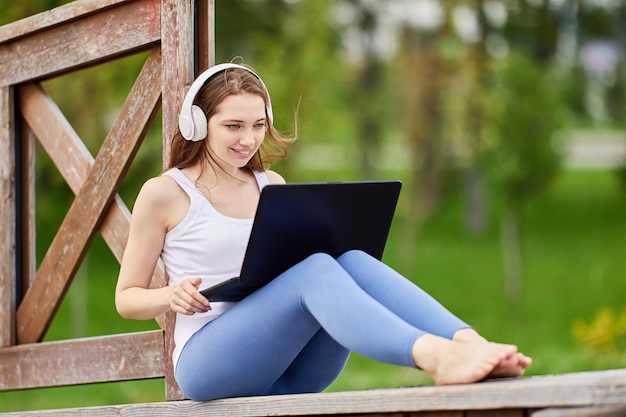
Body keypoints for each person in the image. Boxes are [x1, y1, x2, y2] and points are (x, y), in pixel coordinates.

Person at [115, 62, 532, 402]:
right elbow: (126, 297)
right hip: (209, 364)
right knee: (315, 268)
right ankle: (433, 356)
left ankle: (469, 342)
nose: (249, 139)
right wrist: (170, 296)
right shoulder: (165, 193)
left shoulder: (270, 186)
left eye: (258, 125)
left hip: (292, 371)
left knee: (350, 259)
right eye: (234, 126)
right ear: (198, 124)